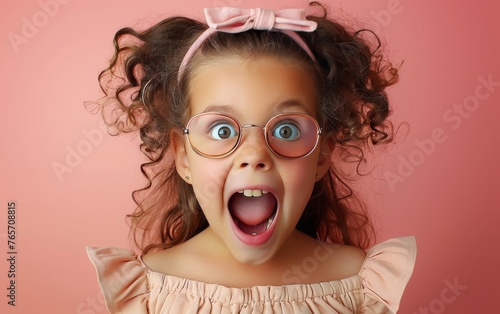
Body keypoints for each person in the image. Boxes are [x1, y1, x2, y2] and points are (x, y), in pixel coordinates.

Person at [86, 3, 416, 313]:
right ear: (183, 155)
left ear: (321, 154)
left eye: (286, 130)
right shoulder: (145, 294)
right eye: (221, 131)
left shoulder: (360, 285)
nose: (254, 155)